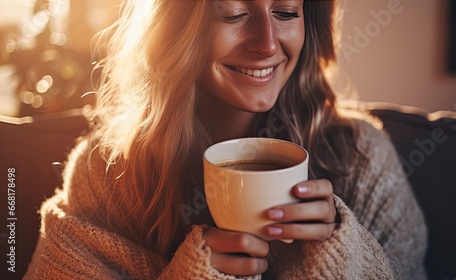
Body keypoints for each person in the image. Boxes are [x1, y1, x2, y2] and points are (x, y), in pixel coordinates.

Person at [24, 0, 427, 279]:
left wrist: (341, 257)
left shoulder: (363, 158)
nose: (267, 43)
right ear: (177, 29)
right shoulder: (106, 168)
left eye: (286, 12)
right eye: (234, 14)